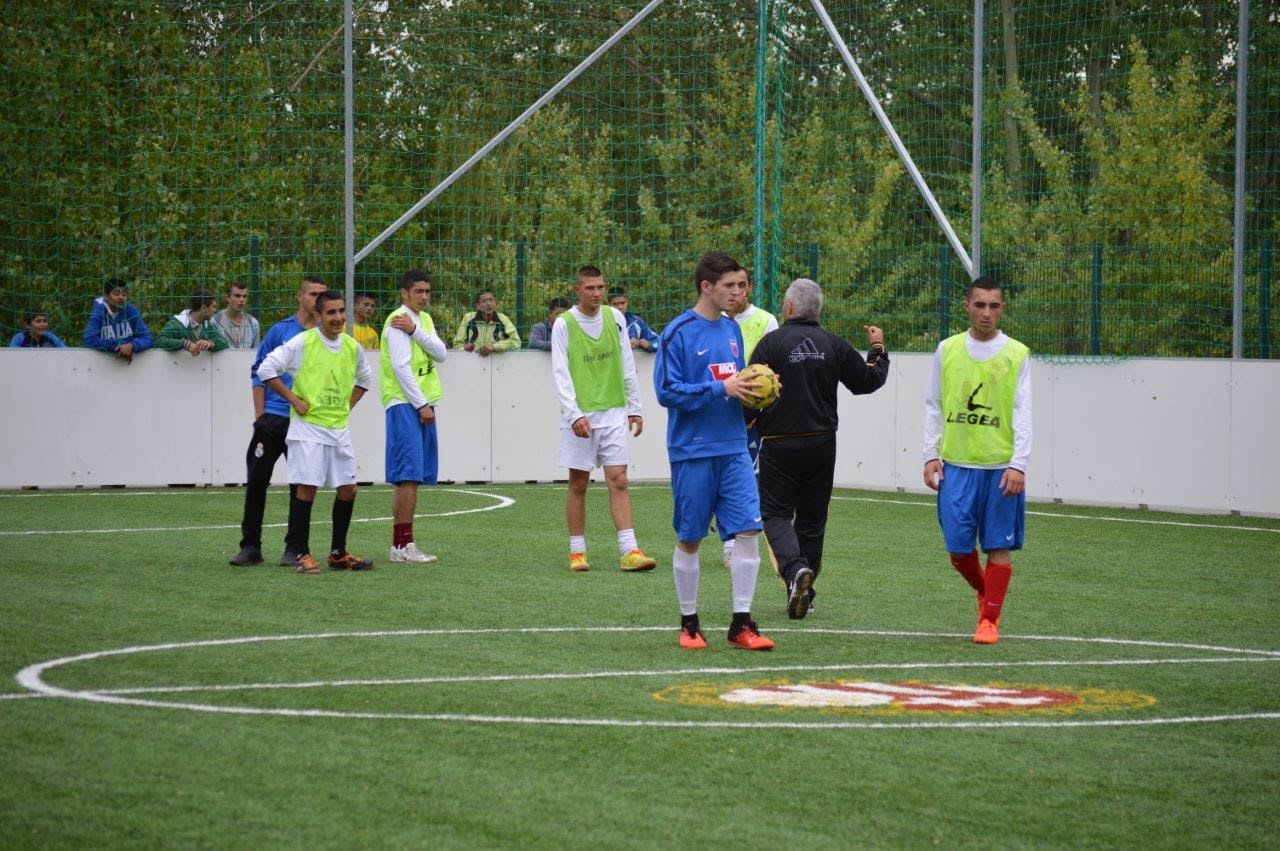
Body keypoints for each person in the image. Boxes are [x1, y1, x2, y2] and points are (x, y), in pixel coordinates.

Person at [748, 278, 889, 619]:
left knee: (775, 515)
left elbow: (751, 391)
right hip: (822, 444)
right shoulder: (834, 343)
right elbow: (867, 380)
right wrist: (877, 347)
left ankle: (796, 571)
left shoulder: (771, 343)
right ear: (818, 311)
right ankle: (804, 592)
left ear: (788, 308)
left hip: (779, 444)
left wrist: (746, 422)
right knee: (812, 519)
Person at [654, 250, 774, 651]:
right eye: (729, 286)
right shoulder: (678, 332)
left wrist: (755, 392)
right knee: (690, 537)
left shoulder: (732, 330)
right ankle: (689, 623)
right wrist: (720, 388)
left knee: (749, 530)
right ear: (707, 287)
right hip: (692, 450)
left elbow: (733, 384)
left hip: (734, 447)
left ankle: (742, 623)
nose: (738, 292)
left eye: (741, 285)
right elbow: (666, 391)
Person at [923, 275, 1032, 645]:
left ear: (1002, 309)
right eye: (980, 305)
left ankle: (989, 620)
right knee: (958, 549)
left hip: (1000, 468)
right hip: (956, 466)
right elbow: (934, 405)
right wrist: (930, 454)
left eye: (994, 306)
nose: (987, 312)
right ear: (967, 306)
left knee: (998, 546)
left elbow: (1023, 413)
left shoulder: (1017, 353)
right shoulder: (947, 349)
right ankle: (987, 593)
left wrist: (1018, 464)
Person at [257, 289, 375, 575]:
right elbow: (266, 369)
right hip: (308, 430)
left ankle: (338, 554)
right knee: (307, 488)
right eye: (331, 312)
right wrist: (294, 400)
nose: (338, 317)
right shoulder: (303, 342)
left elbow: (365, 379)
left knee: (348, 490)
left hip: (338, 430)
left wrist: (346, 407)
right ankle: (302, 554)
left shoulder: (352, 346)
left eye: (341, 311)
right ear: (318, 314)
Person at [552, 265, 657, 573]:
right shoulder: (564, 324)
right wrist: (574, 414)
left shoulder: (615, 318)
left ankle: (629, 551)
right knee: (578, 483)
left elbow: (626, 361)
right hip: (581, 416)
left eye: (600, 287)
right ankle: (577, 552)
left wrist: (635, 407)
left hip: (613, 411)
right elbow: (560, 372)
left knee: (619, 479)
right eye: (590, 288)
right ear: (577, 290)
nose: (596, 293)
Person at [228, 275, 327, 567]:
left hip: (306, 421)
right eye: (313, 294)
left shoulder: (327, 336)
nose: (318, 300)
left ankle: (294, 548)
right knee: (257, 481)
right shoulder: (280, 331)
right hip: (273, 418)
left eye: (322, 295)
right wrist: (260, 416)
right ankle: (250, 547)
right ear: (300, 296)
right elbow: (259, 371)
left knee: (302, 485)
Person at [381, 269, 448, 564]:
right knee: (408, 476)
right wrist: (421, 404)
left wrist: (416, 331)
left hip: (421, 403)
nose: (424, 296)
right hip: (406, 404)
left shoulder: (422, 321)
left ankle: (401, 546)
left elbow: (441, 353)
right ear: (404, 293)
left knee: (411, 477)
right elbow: (400, 367)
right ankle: (403, 546)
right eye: (418, 291)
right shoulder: (398, 321)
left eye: (427, 291)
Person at [82, 278, 153, 363]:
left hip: (129, 366)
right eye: (116, 293)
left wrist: (132, 346)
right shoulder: (99, 311)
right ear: (106, 296)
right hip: (101, 363)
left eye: (124, 294)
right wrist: (117, 346)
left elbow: (148, 338)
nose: (121, 297)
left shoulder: (131, 310)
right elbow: (89, 339)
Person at [155, 290, 229, 356]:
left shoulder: (208, 325)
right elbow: (159, 340)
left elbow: (224, 342)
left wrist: (211, 343)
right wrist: (185, 344)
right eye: (213, 306)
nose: (215, 310)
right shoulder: (177, 324)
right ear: (204, 308)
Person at [453, 290, 520, 355]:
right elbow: (456, 344)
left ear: (495, 303)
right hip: (472, 360)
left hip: (497, 360)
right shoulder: (468, 318)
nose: (488, 304)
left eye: (491, 300)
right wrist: (464, 348)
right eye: (484, 301)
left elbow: (516, 342)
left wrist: (495, 347)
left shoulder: (503, 319)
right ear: (478, 306)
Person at [607, 287, 660, 352]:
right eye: (615, 304)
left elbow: (659, 341)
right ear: (609, 304)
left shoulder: (637, 322)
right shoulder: (604, 323)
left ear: (627, 302)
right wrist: (626, 345)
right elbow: (601, 348)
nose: (620, 307)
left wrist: (649, 345)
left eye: (622, 303)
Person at [212, 282, 260, 350]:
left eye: (244, 296)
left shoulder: (253, 323)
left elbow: (256, 352)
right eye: (237, 296)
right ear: (227, 298)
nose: (242, 300)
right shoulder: (215, 321)